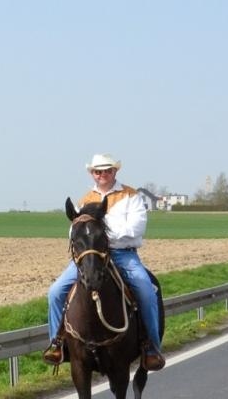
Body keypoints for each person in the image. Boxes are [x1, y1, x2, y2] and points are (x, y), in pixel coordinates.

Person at [45, 154, 165, 372]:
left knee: (146, 290)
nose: (102, 175)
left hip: (123, 254)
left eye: (107, 170)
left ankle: (151, 349)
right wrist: (88, 240)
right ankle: (57, 343)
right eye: (98, 171)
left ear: (115, 172)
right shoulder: (85, 199)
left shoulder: (131, 195)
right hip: (91, 256)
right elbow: (75, 231)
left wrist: (105, 235)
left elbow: (136, 228)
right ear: (92, 173)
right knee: (55, 292)